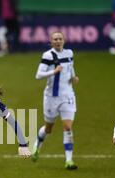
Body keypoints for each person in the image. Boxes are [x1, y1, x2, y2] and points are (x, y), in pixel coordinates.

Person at [31, 31, 80, 170]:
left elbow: (71, 67)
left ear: (64, 40)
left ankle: (69, 160)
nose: (58, 41)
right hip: (51, 97)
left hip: (68, 96)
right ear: (51, 42)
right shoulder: (48, 55)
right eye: (55, 39)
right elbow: (38, 75)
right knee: (48, 128)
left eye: (60, 39)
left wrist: (73, 77)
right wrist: (54, 71)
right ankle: (37, 146)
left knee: (68, 127)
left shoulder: (69, 53)